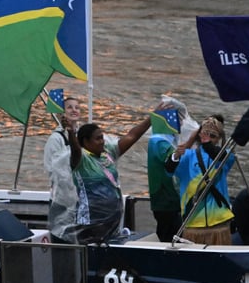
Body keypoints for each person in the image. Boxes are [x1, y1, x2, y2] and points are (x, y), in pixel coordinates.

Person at [64, 107, 156, 244]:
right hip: (91, 222)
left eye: (102, 137)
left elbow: (132, 136)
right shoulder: (81, 160)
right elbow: (75, 149)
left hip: (112, 220)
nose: (102, 141)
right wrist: (71, 132)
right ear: (86, 142)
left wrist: (152, 118)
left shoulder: (107, 153)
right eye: (98, 139)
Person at [166, 115, 237, 245]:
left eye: (213, 136)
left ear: (219, 138)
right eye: (206, 134)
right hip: (193, 221)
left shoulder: (227, 156)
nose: (209, 138)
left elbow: (218, 155)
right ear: (200, 134)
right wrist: (175, 155)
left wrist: (206, 143)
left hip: (219, 221)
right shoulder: (188, 156)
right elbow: (169, 170)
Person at [43, 96, 83, 243]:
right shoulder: (56, 139)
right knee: (62, 239)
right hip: (62, 200)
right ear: (62, 113)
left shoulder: (83, 135)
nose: (74, 110)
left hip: (80, 199)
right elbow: (51, 168)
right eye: (70, 107)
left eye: (77, 107)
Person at [145, 101, 186, 242]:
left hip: (170, 199)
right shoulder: (159, 141)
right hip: (165, 199)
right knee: (169, 236)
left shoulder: (168, 139)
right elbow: (170, 160)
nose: (181, 123)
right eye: (180, 118)